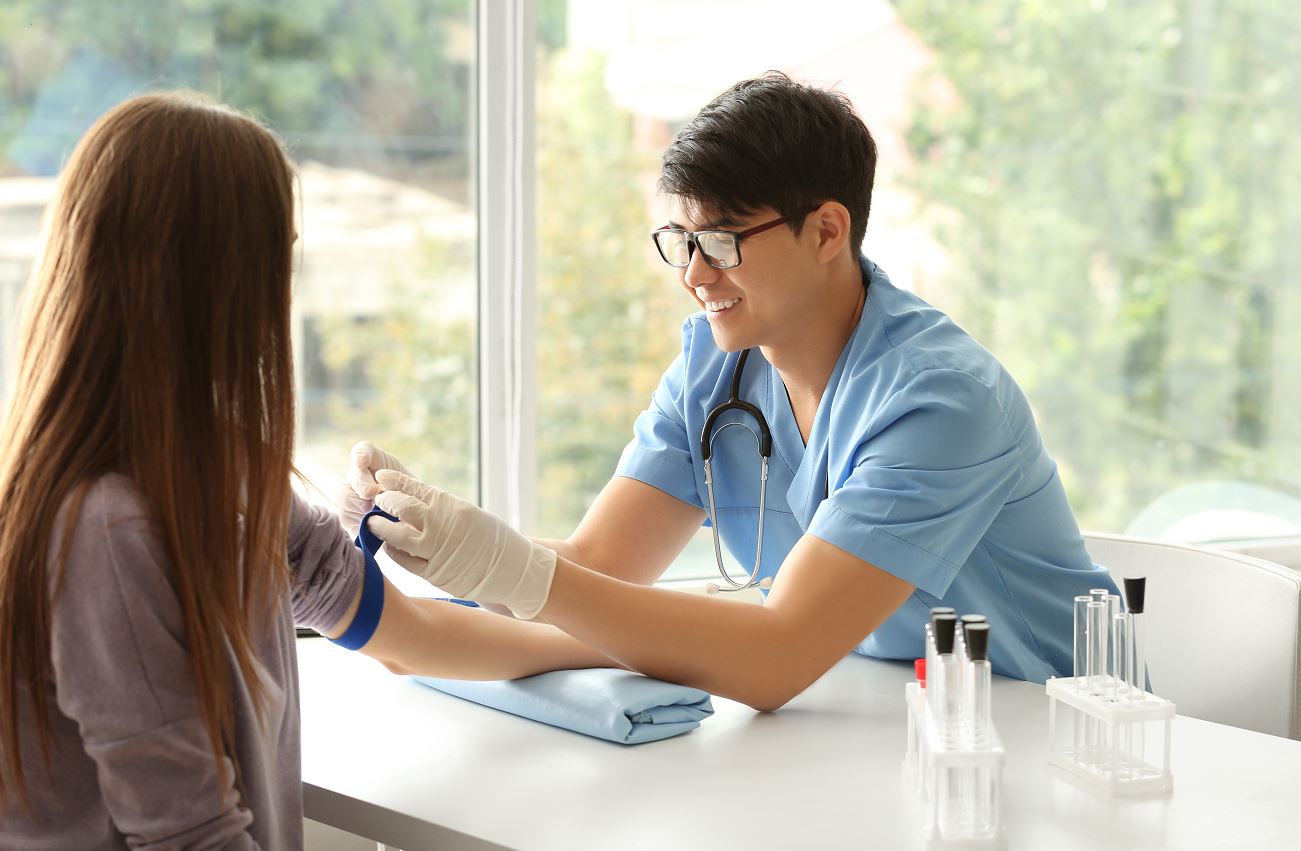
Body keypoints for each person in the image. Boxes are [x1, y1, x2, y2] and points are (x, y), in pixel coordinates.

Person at [340, 72, 1121, 711]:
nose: (692, 274)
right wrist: (435, 542)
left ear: (825, 231)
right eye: (679, 241)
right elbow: (600, 565)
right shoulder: (718, 370)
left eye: (719, 242)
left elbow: (777, 654)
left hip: (1053, 731)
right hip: (889, 715)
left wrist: (507, 571)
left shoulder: (943, 401)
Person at [0, 91, 605, 849]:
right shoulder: (107, 530)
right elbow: (193, 837)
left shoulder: (223, 470)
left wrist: (621, 642)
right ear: (211, 283)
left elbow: (403, 633)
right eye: (274, 254)